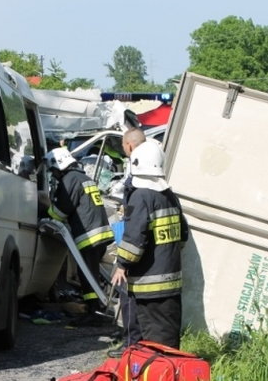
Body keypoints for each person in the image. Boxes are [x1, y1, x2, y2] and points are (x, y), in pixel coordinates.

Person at [110, 140, 187, 349]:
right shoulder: (169, 196)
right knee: (169, 341)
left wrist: (122, 264)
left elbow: (135, 239)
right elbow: (183, 236)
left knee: (153, 344)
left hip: (149, 285)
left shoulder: (141, 196)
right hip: (172, 283)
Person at [45, 147, 114, 326]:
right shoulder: (83, 178)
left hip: (89, 236)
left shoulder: (69, 180)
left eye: (52, 170)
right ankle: (94, 307)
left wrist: (46, 211)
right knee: (90, 273)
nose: (53, 175)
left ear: (58, 165)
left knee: (87, 275)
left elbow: (60, 212)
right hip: (101, 233)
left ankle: (94, 311)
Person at [107, 127, 146, 358]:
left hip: (132, 245)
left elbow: (134, 222)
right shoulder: (148, 170)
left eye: (123, 146)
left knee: (128, 294)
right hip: (145, 249)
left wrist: (122, 262)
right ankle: (133, 344)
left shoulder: (137, 172)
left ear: (129, 146)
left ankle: (131, 347)